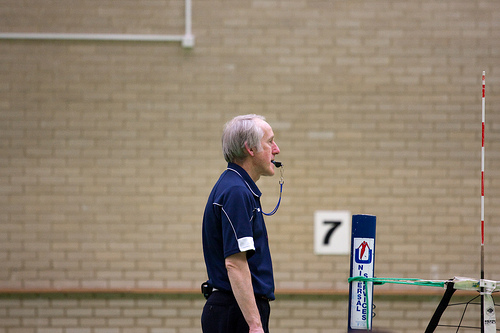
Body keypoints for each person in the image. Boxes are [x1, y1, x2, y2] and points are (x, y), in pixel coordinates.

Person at [201, 114, 281, 333]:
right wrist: (254, 325)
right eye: (270, 141)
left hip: (236, 310)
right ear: (250, 149)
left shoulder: (236, 187)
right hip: (235, 313)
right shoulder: (236, 191)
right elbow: (235, 263)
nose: (277, 149)